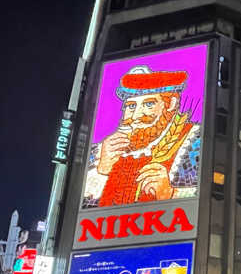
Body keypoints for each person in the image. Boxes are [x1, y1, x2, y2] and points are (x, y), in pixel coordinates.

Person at [83, 64, 201, 207]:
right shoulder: (101, 151)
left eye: (149, 104)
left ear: (170, 104)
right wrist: (101, 171)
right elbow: (74, 206)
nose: (137, 115)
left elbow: (212, 196)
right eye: (131, 106)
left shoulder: (195, 140)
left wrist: (171, 193)